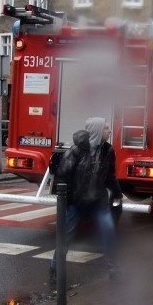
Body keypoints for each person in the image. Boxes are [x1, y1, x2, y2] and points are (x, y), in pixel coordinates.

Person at [50, 117, 123, 284]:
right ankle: (55, 268)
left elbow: (110, 176)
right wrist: (67, 201)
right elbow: (62, 176)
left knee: (108, 232)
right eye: (106, 128)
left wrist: (117, 193)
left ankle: (114, 269)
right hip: (77, 203)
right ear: (97, 131)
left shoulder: (108, 151)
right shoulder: (76, 151)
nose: (109, 131)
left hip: (98, 203)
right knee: (65, 238)